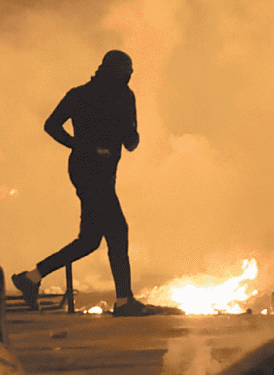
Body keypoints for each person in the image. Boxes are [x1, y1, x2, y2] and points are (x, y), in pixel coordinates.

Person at [12, 50, 171, 316]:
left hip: (97, 171)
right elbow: (52, 125)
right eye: (126, 70)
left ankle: (31, 278)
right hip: (89, 172)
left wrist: (94, 142)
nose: (129, 75)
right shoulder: (88, 95)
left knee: (89, 241)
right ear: (112, 70)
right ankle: (124, 302)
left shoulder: (113, 95)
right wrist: (83, 146)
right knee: (118, 231)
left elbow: (129, 141)